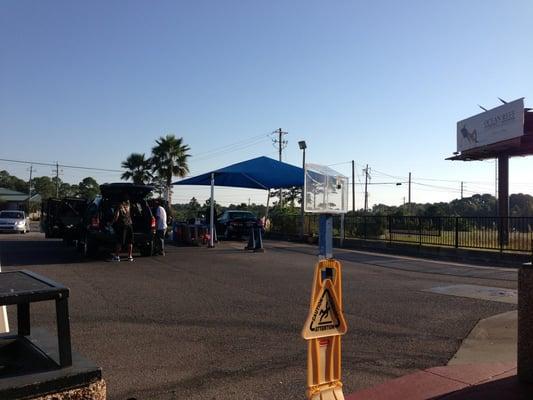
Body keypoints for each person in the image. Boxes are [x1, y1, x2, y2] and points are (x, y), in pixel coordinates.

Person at [111, 197, 133, 262]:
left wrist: (111, 223)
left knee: (119, 241)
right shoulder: (128, 206)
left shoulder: (119, 206)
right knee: (130, 241)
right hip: (129, 224)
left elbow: (116, 216)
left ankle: (117, 256)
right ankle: (130, 256)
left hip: (122, 225)